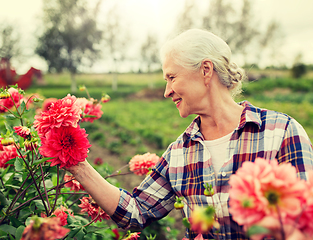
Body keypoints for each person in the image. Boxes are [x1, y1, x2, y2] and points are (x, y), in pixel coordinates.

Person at [66, 29, 313, 240]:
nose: (166, 91)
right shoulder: (180, 152)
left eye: (172, 77)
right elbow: (136, 211)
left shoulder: (281, 132)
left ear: (206, 70)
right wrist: (78, 166)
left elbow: (305, 221)